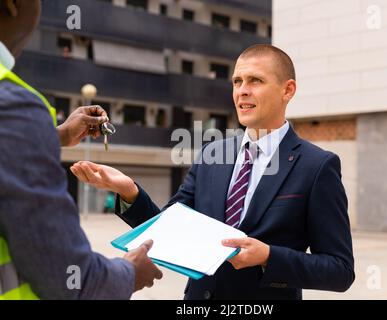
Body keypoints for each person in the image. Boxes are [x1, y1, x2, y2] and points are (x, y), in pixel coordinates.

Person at [71, 44, 355, 300]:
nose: (242, 90)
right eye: (237, 81)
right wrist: (128, 190)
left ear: (287, 90)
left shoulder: (317, 166)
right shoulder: (212, 155)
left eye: (255, 80)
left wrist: (269, 256)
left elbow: (339, 270)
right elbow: (168, 228)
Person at [0, 0, 162, 299]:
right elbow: (67, 277)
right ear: (12, 5)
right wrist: (129, 272)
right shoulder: (13, 105)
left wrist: (54, 135)